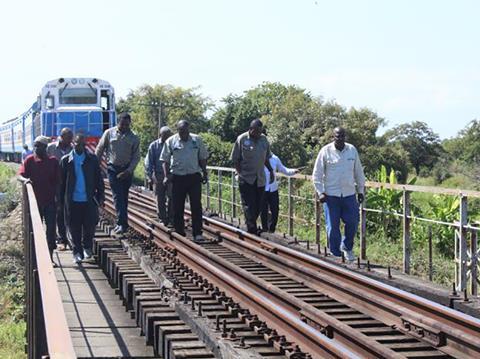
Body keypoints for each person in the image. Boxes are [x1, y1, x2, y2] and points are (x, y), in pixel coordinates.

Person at [312, 127, 365, 261]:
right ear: (333, 137)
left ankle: (347, 247)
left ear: (345, 137)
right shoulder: (325, 151)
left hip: (349, 194)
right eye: (337, 136)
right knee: (333, 226)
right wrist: (320, 192)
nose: (340, 138)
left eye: (342, 136)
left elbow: (358, 172)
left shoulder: (352, 150)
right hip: (331, 196)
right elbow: (316, 174)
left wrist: (360, 190)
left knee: (352, 222)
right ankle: (335, 254)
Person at [60, 133, 104, 264]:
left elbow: (99, 179)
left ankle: (87, 247)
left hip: (89, 200)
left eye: (83, 144)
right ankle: (77, 252)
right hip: (72, 200)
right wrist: (60, 201)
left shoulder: (92, 159)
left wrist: (101, 196)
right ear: (73, 143)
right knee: (74, 228)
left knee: (89, 226)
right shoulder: (65, 160)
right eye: (78, 143)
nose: (81, 146)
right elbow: (61, 183)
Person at [160, 120, 208, 241]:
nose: (184, 134)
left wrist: (205, 173)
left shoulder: (197, 140)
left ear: (188, 130)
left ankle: (197, 232)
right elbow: (165, 160)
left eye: (186, 131)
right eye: (181, 131)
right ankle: (179, 231)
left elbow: (202, 158)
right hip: (178, 177)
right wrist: (167, 175)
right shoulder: (171, 141)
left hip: (194, 176)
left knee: (196, 205)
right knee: (177, 206)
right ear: (178, 131)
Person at [95, 112, 140, 234]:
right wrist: (95, 165)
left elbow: (136, 157)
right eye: (122, 124)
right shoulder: (109, 133)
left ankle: (122, 222)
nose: (125, 127)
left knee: (124, 197)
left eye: (127, 124)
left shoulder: (134, 137)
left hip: (127, 170)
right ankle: (121, 223)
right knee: (118, 196)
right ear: (118, 122)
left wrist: (129, 171)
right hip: (113, 169)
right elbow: (100, 148)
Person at [19, 136, 60, 266]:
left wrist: (58, 199)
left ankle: (50, 257)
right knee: (35, 230)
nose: (36, 148)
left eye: (39, 145)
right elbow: (20, 175)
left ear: (45, 147)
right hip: (34, 203)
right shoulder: (29, 160)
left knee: (51, 230)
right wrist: (25, 180)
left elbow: (58, 181)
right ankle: (36, 259)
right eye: (35, 145)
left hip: (49, 202)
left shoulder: (53, 161)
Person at [231, 119, 274, 234]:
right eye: (256, 131)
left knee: (258, 205)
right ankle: (252, 229)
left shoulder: (264, 140)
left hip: (260, 178)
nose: (258, 134)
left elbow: (266, 157)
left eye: (260, 131)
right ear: (251, 130)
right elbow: (235, 159)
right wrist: (240, 174)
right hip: (246, 177)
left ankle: (250, 224)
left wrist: (271, 171)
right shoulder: (242, 139)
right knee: (249, 204)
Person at [47, 127, 73, 250]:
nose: (70, 141)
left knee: (67, 212)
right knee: (58, 211)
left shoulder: (72, 149)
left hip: (68, 185)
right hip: (53, 185)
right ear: (61, 137)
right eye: (68, 138)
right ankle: (61, 238)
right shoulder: (51, 148)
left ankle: (68, 237)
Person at [261, 153, 299, 233]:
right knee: (263, 210)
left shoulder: (275, 158)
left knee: (275, 210)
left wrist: (294, 171)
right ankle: (264, 228)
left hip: (273, 188)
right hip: (262, 188)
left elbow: (283, 169)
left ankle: (271, 229)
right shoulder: (258, 157)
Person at [145, 126, 174, 226]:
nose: (167, 137)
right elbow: (149, 162)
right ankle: (162, 218)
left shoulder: (172, 144)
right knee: (159, 198)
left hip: (171, 175)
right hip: (158, 175)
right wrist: (149, 176)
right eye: (165, 135)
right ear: (160, 135)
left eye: (168, 135)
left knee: (172, 196)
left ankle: (171, 218)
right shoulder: (154, 145)